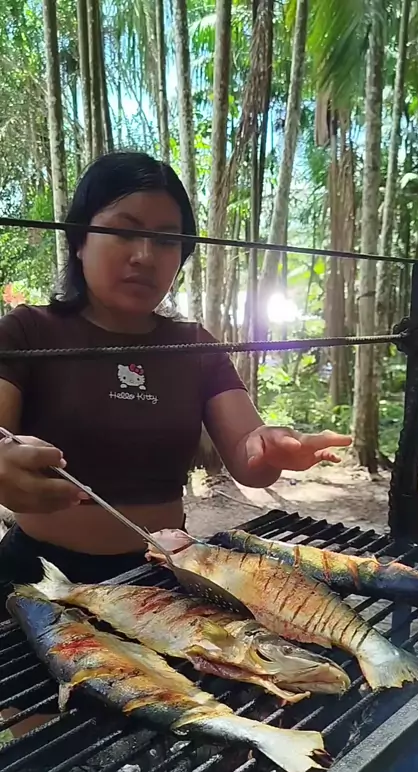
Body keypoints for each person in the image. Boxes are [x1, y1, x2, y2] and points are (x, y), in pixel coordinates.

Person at [0, 151, 352, 587]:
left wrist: (271, 447)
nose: (145, 256)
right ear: (78, 240)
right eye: (123, 231)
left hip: (162, 574)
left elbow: (250, 459)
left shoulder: (195, 346)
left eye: (167, 241)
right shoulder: (28, 331)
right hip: (37, 578)